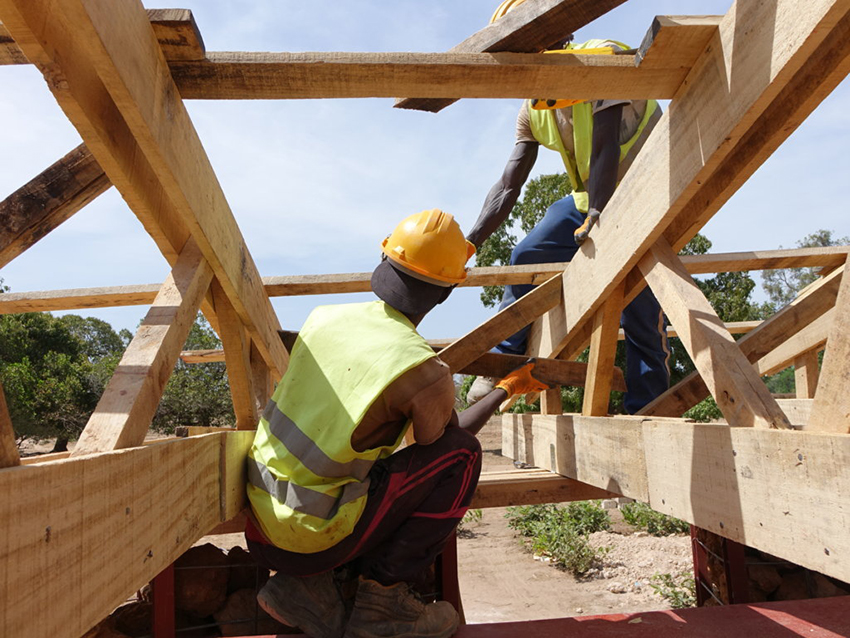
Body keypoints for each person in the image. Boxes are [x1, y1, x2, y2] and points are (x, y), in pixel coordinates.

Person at [244, 209, 552, 638]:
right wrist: (506, 389)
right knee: (463, 455)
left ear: (384, 261)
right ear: (446, 292)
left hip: (260, 524)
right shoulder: (422, 369)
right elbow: (447, 445)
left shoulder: (322, 318)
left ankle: (306, 588)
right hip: (314, 538)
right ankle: (382, 604)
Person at [465, 35, 670, 414]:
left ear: (560, 42)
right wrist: (470, 241)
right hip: (587, 200)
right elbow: (509, 184)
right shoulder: (533, 109)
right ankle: (503, 358)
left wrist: (599, 216)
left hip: (644, 193)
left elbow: (606, 146)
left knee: (639, 305)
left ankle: (647, 409)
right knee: (528, 253)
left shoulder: (601, 59)